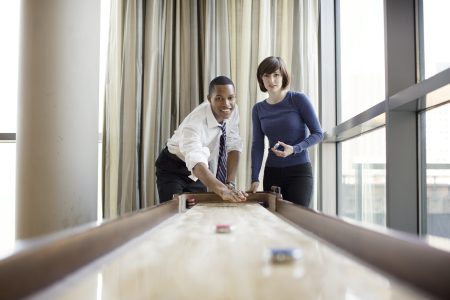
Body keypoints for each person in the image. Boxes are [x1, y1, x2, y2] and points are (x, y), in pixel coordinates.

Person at [156, 76, 247, 204]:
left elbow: (234, 144)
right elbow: (195, 160)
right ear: (209, 99)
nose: (226, 104)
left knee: (199, 212)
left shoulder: (233, 110)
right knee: (174, 212)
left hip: (201, 170)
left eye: (230, 98)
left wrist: (229, 184)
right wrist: (222, 190)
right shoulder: (195, 123)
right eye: (219, 98)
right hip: (173, 168)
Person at [250, 56, 323, 207]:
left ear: (283, 76)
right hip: (272, 172)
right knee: (273, 221)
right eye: (266, 75)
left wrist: (295, 149)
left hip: (299, 172)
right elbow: (257, 145)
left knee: (298, 221)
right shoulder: (258, 109)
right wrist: (254, 178)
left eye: (276, 74)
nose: (271, 80)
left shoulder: (298, 99)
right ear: (261, 79)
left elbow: (318, 133)